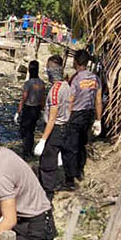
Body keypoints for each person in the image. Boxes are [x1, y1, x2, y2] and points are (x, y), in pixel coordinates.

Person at [66, 50, 103, 189]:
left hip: (75, 114)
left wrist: (65, 118)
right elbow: (98, 100)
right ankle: (80, 171)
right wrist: (98, 120)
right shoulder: (94, 78)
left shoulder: (76, 79)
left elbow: (70, 100)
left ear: (76, 62)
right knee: (82, 144)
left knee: (71, 146)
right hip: (89, 114)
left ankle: (70, 177)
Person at [37, 55, 71, 201]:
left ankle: (47, 195)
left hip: (56, 129)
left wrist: (43, 140)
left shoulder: (55, 91)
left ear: (52, 70)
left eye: (47, 68)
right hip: (64, 127)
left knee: (47, 164)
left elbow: (52, 118)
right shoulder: (67, 86)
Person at [15, 60, 45, 159]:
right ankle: (28, 150)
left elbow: (24, 97)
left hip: (29, 108)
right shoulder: (41, 83)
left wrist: (18, 110)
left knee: (25, 130)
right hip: (36, 109)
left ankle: (26, 151)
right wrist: (42, 109)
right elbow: (42, 97)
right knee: (31, 130)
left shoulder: (28, 83)